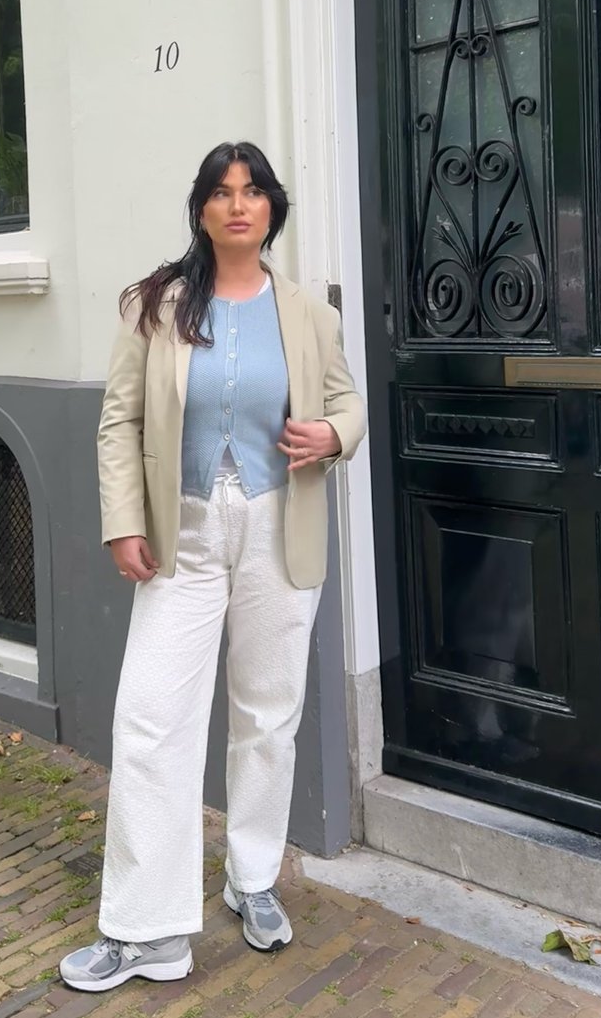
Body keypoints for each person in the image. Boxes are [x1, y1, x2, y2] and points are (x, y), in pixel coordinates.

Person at [59, 141, 366, 993]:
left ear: (272, 208)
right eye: (222, 192)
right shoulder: (154, 305)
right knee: (152, 720)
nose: (238, 205)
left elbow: (345, 402)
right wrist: (123, 521)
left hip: (279, 524)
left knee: (269, 713)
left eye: (253, 191)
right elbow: (119, 420)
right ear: (201, 208)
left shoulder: (308, 314)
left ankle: (253, 876)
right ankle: (147, 929)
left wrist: (335, 434)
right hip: (182, 532)